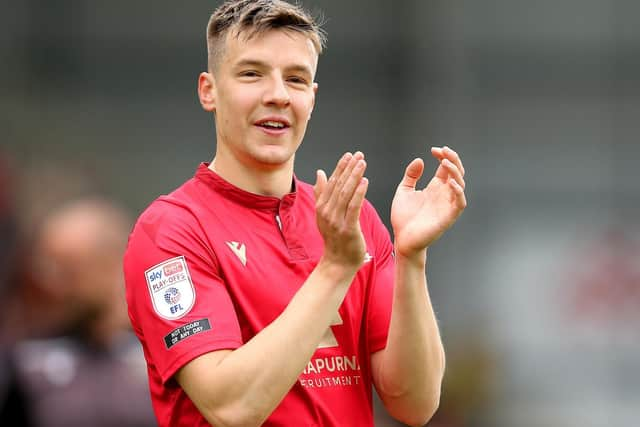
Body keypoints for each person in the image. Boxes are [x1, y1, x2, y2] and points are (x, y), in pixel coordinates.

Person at [123, 1, 467, 426]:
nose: (278, 95)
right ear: (209, 90)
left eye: (296, 79)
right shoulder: (171, 230)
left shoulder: (353, 222)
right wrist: (334, 268)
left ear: (312, 98)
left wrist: (412, 258)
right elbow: (230, 408)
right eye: (251, 74)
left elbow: (414, 404)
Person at [12, 197, 156, 427]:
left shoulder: (167, 355)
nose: (48, 282)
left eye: (66, 268)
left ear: (112, 263)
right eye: (45, 266)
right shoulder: (25, 363)